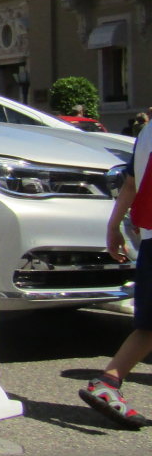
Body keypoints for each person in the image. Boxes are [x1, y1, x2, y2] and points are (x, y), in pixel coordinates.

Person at [78, 123, 152, 428]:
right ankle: (108, 382)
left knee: (149, 327)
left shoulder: (147, 132)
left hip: (150, 238)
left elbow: (131, 184)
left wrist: (114, 225)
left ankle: (109, 382)